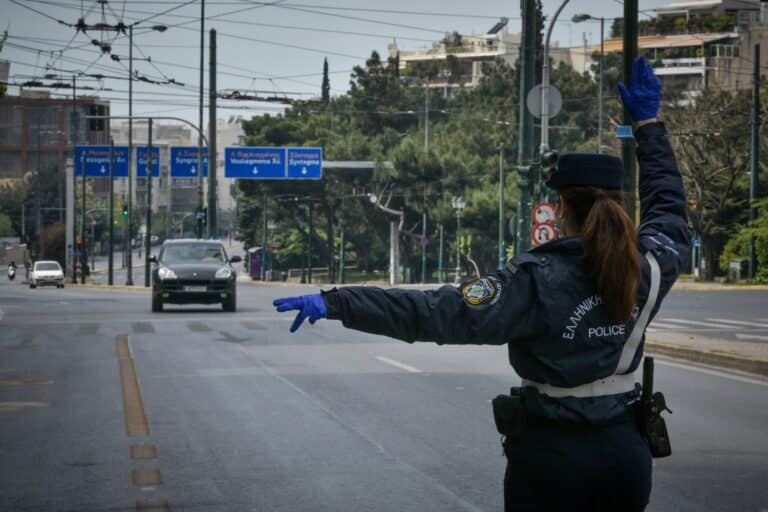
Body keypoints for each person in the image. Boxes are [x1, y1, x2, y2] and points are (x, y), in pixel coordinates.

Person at [273, 57, 689, 511]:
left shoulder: (534, 279)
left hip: (553, 461)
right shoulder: (648, 268)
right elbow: (669, 206)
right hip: (625, 460)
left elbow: (433, 314)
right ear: (617, 205)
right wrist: (648, 124)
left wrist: (337, 302)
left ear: (559, 207)